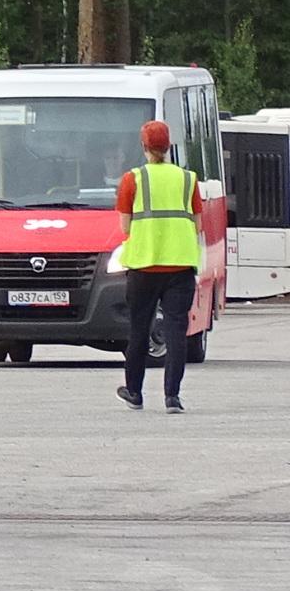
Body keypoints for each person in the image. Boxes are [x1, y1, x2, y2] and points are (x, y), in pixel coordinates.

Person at [113, 117, 201, 413]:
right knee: (177, 331)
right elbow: (197, 224)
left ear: (144, 146)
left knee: (139, 328)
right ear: (168, 146)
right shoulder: (188, 179)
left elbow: (125, 225)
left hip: (144, 266)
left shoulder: (132, 179)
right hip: (181, 266)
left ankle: (134, 392)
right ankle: (172, 396)